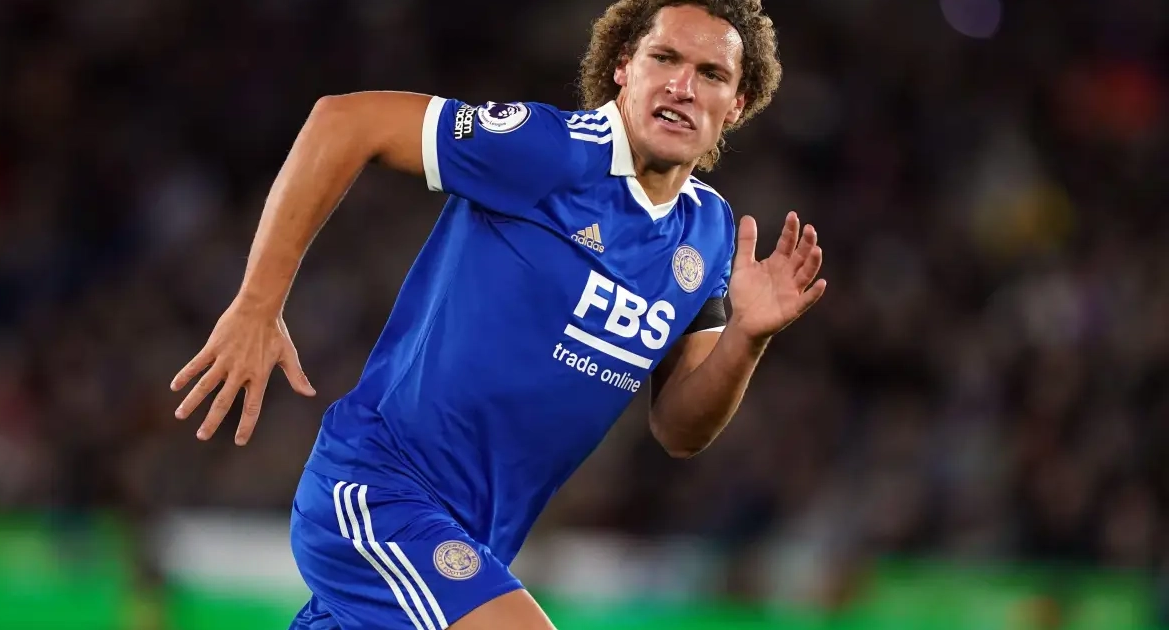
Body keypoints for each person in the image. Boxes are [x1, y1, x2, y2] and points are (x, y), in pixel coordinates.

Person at [170, 1, 826, 628]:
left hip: (473, 540)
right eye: (665, 58)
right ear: (625, 67)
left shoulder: (708, 233)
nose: (682, 86)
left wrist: (745, 337)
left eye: (710, 74)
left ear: (737, 103)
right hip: (378, 495)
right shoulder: (549, 151)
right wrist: (257, 304)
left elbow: (679, 428)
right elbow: (344, 121)